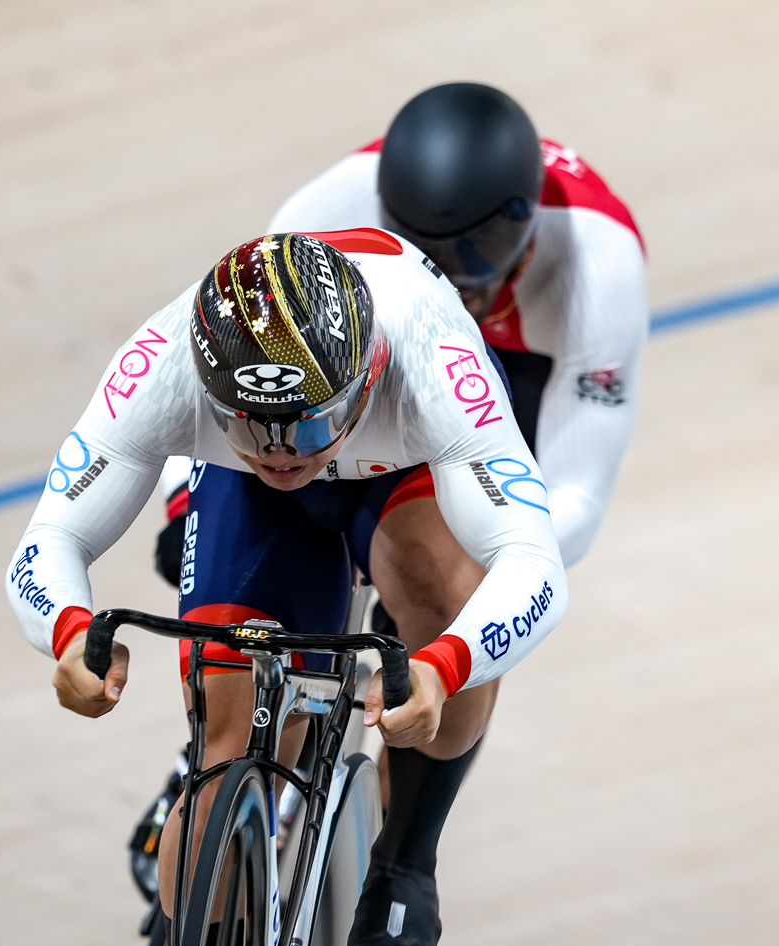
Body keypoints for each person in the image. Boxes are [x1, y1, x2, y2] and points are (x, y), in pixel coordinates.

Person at [5, 231, 568, 946]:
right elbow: (51, 537)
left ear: (367, 375)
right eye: (245, 424)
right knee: (229, 737)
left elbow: (534, 565)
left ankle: (404, 856)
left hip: (395, 472)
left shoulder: (434, 361)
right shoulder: (164, 362)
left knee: (445, 602)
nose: (279, 453)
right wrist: (69, 633)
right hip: (248, 498)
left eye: (304, 424)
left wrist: (441, 667)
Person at [154, 81, 648, 582]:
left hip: (519, 362)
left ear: (523, 224)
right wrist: (182, 501)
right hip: (383, 338)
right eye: (428, 250)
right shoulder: (323, 215)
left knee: (452, 581)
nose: (453, 282)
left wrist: (490, 573)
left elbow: (577, 493)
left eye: (475, 252)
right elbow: (221, 362)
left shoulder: (600, 266)